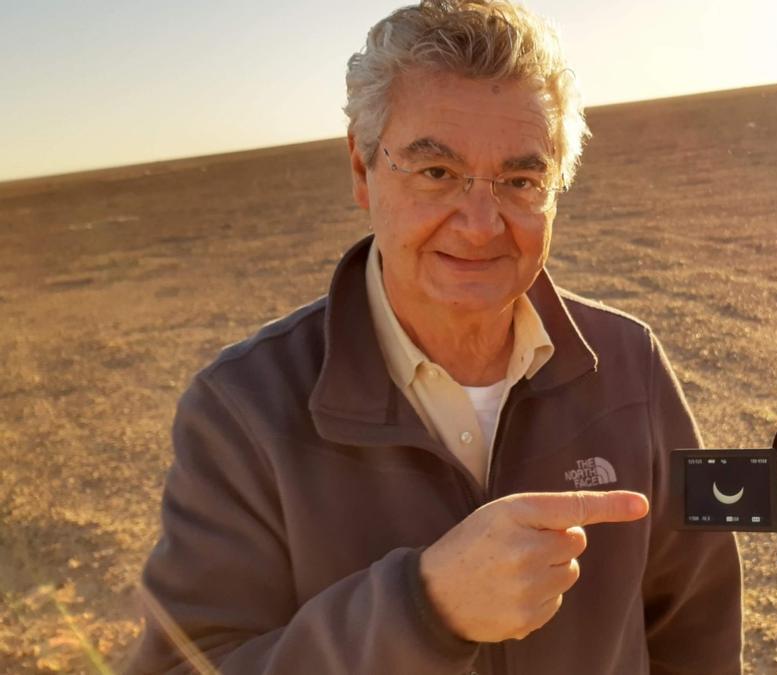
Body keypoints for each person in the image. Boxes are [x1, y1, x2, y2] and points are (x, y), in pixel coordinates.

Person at [128, 1, 742, 673]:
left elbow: (698, 623)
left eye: (520, 179)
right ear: (362, 172)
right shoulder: (242, 410)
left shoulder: (633, 367)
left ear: (556, 189)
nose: (480, 223)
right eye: (437, 172)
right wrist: (423, 612)